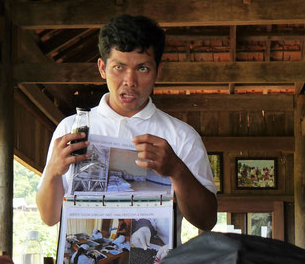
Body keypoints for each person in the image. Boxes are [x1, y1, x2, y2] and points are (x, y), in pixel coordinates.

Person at [36, 15, 217, 230]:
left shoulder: (182, 136)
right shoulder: (71, 129)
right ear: (102, 68)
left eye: (142, 69)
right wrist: (52, 172)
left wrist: (177, 170)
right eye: (118, 67)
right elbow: (49, 217)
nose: (129, 81)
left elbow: (206, 220)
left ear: (158, 71)